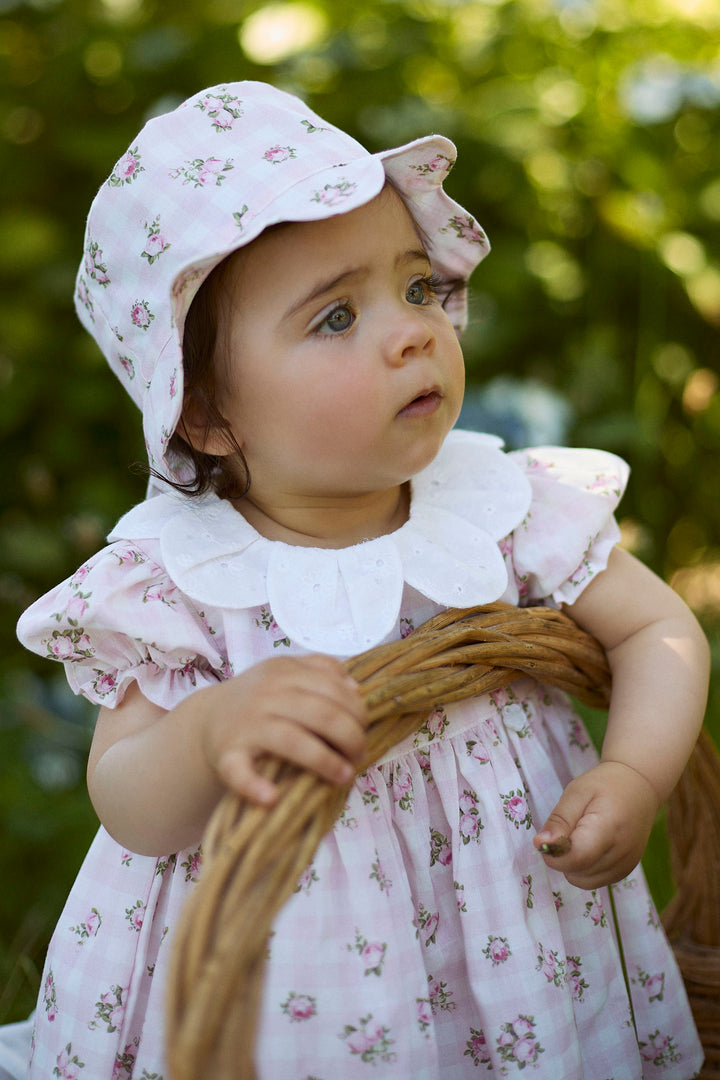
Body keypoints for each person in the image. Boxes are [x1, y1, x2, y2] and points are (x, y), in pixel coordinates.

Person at [14, 80, 708, 1080]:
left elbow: (659, 633)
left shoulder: (503, 507)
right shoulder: (181, 580)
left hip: (512, 951)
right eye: (336, 316)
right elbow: (131, 806)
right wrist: (207, 733)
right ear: (205, 414)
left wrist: (635, 774)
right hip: (280, 994)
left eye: (418, 287)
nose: (414, 330)